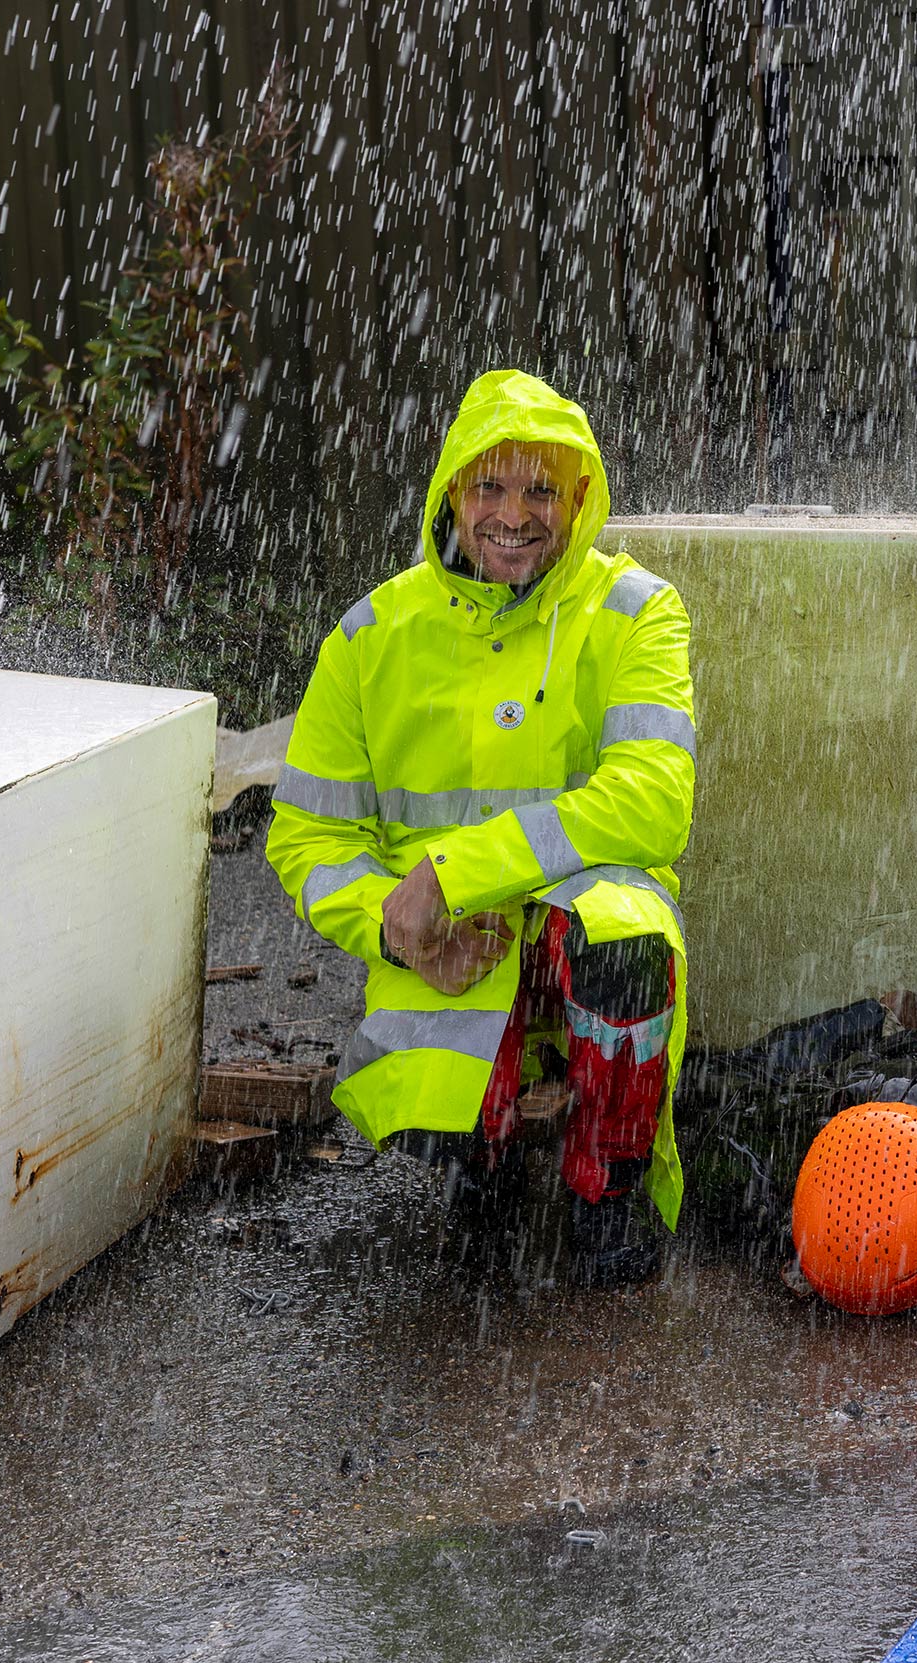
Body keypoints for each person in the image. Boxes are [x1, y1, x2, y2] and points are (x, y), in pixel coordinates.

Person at [265, 369, 694, 1286]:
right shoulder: (371, 634)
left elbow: (656, 800)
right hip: (456, 953)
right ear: (451, 491)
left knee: (626, 933)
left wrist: (456, 871)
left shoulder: (636, 611)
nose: (514, 514)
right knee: (443, 1120)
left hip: (575, 941)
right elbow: (305, 836)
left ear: (581, 498)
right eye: (489, 486)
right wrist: (396, 921)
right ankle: (480, 1165)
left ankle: (605, 1184)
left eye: (542, 488)